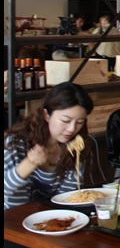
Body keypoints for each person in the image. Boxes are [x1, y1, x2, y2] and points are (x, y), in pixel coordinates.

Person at [4, 82, 94, 210]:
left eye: (80, 122)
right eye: (65, 120)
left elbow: (67, 196)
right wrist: (29, 163)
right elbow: (6, 189)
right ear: (46, 115)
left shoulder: (76, 146)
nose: (72, 129)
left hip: (53, 215)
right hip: (13, 217)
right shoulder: (14, 142)